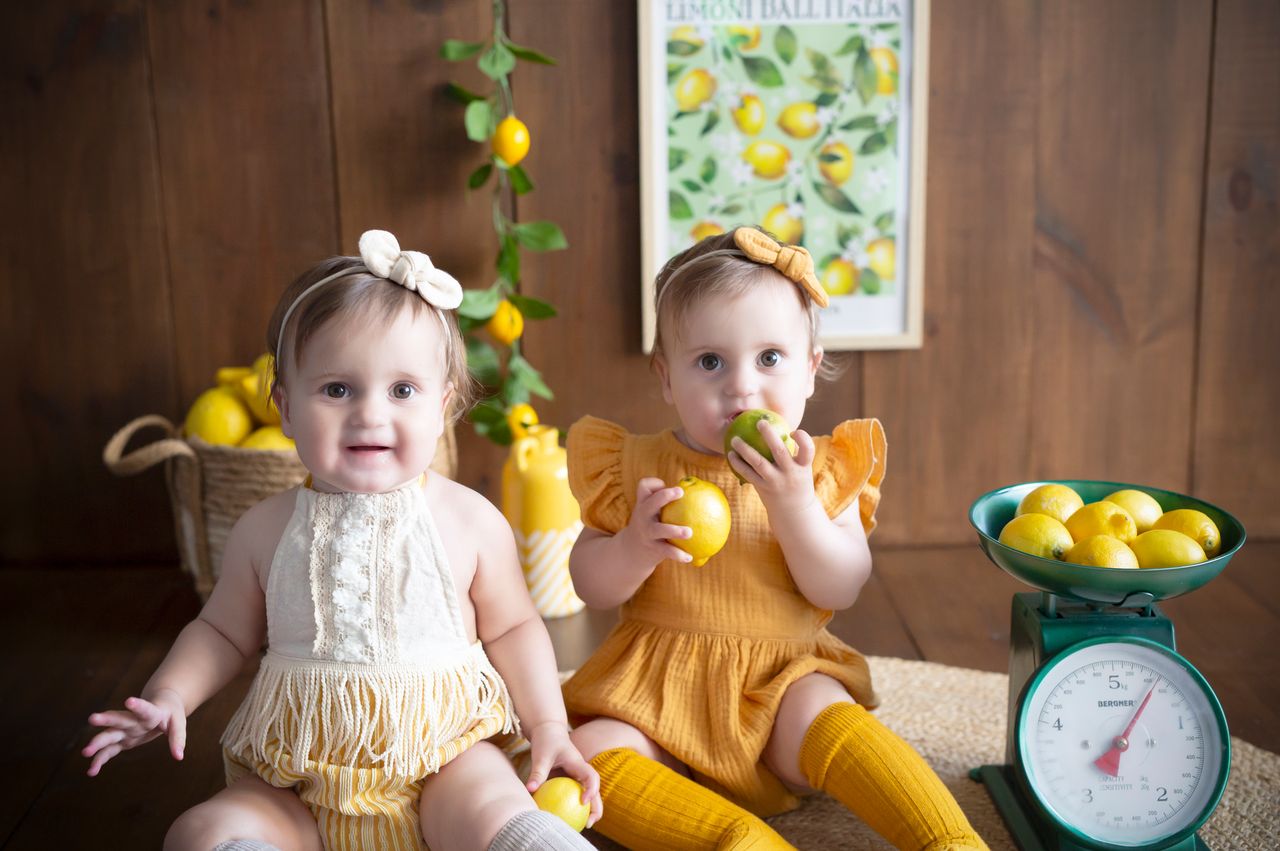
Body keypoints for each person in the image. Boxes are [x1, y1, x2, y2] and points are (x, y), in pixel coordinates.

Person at [84, 230, 601, 851]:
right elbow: (221, 632)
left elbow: (515, 627)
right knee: (201, 831)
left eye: (402, 390)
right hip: (298, 777)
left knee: (492, 805)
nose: (370, 414)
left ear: (443, 408)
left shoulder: (470, 520)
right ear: (285, 407)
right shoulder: (263, 528)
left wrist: (547, 725)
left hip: (446, 761)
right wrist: (170, 694)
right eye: (337, 389)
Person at [561, 226, 987, 850]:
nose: (741, 387)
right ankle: (741, 841)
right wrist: (634, 545)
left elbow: (840, 585)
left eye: (769, 359)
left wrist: (795, 505)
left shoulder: (821, 469)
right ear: (666, 377)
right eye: (710, 362)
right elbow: (589, 584)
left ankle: (946, 840)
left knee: (825, 710)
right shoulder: (634, 466)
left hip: (778, 690)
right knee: (590, 752)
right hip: (659, 696)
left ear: (810, 370)